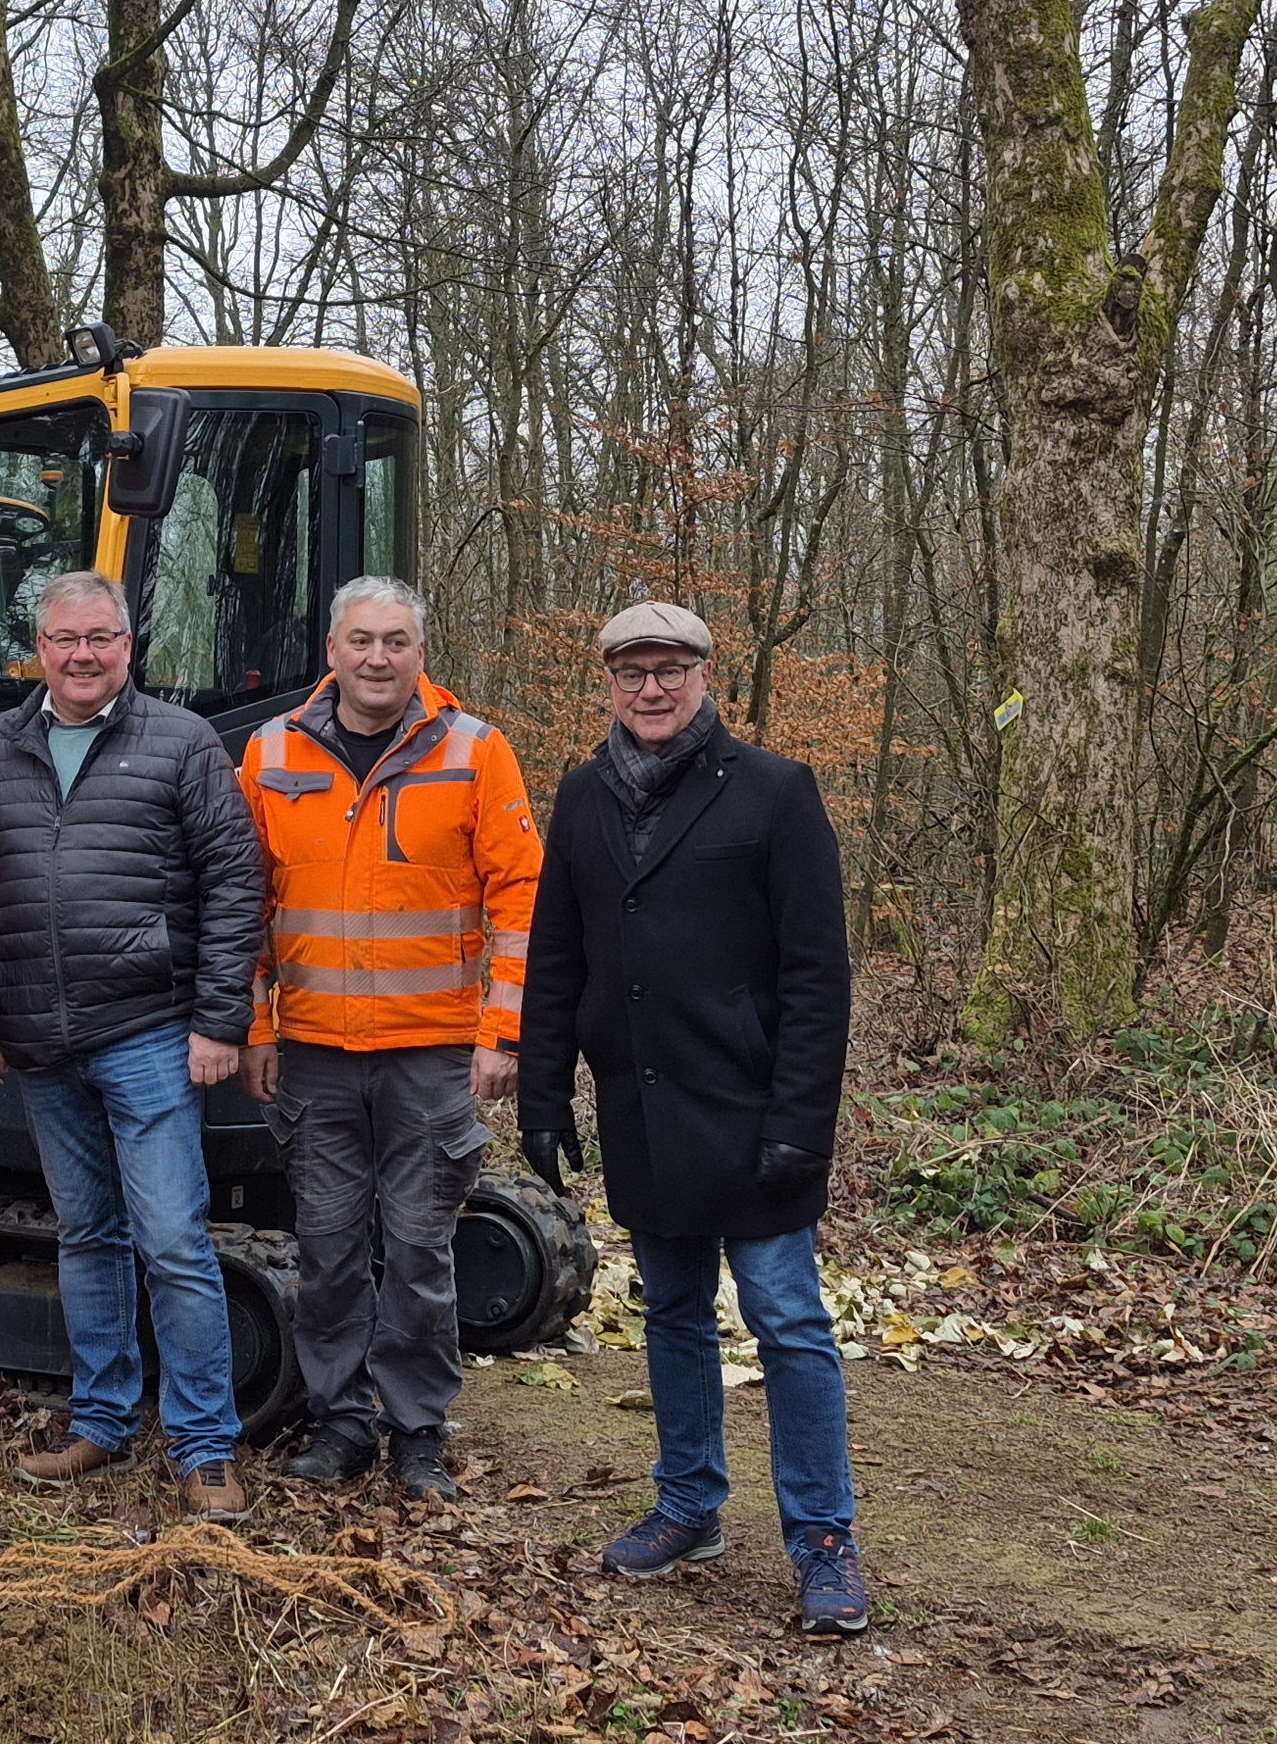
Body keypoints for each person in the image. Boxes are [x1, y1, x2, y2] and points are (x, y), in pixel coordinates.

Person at [516, 601, 868, 1637]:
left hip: (756, 1114)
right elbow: (556, 961)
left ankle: (824, 1540)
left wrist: (800, 1122)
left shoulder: (772, 792)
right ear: (610, 684)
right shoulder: (582, 798)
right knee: (670, 1312)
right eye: (632, 672)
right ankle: (688, 1505)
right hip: (644, 1108)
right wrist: (543, 1094)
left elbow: (817, 977)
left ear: (706, 675)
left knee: (786, 1321)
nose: (652, 688)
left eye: (670, 668)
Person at [0, 569, 267, 1519]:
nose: (83, 655)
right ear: (38, 650)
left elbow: (233, 883)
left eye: (101, 639)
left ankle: (206, 1447)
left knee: (170, 1239)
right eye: (64, 639)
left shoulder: (182, 743)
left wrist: (218, 1022)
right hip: (42, 1044)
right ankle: (103, 1423)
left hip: (152, 1035)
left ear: (129, 647)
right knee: (87, 1235)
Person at [239, 578, 541, 1501]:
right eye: (361, 640)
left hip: (432, 1052)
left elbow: (522, 896)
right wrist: (257, 1023)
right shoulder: (271, 751)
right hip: (317, 1054)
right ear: (332, 649)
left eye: (397, 642)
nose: (378, 658)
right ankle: (342, 1423)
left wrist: (503, 1030)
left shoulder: (475, 751)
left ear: (421, 653)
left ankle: (417, 1431)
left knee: (419, 1250)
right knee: (328, 1251)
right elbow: (244, 900)